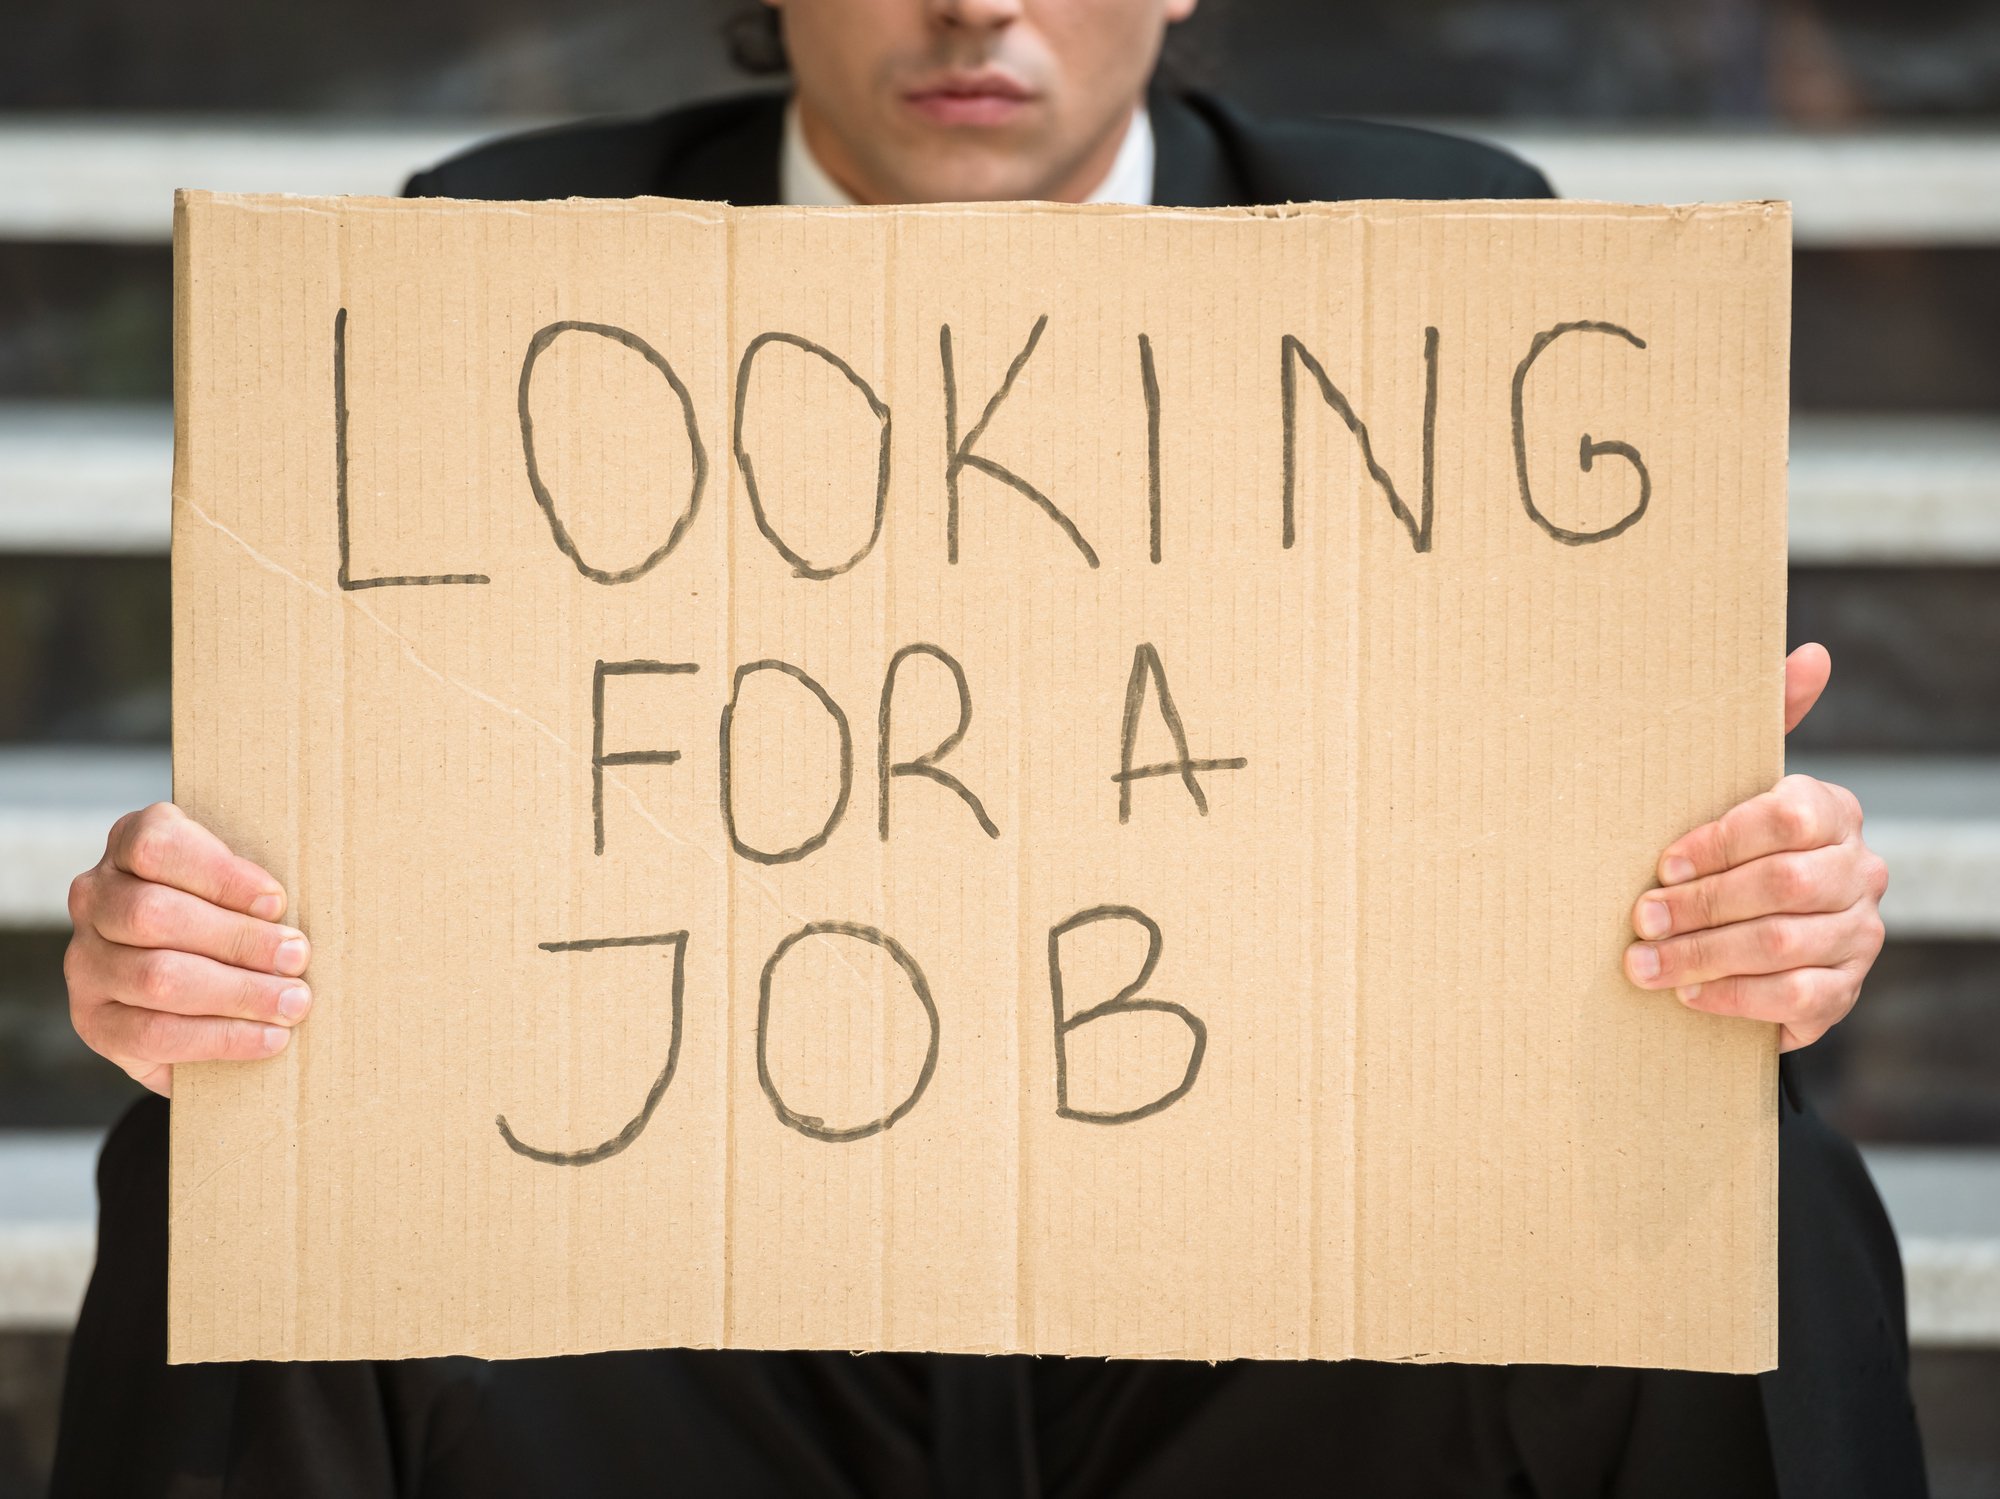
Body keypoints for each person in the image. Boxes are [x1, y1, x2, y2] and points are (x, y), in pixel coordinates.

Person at [51, 0, 1925, 1494]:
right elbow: (372, 818)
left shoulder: (1449, 259)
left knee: (1752, 1201)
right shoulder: (496, 254)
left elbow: (1600, 849)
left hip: (1276, 1308)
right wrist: (198, 949)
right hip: (677, 1302)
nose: (974, 6)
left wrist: (1753, 907)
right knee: (221, 1181)